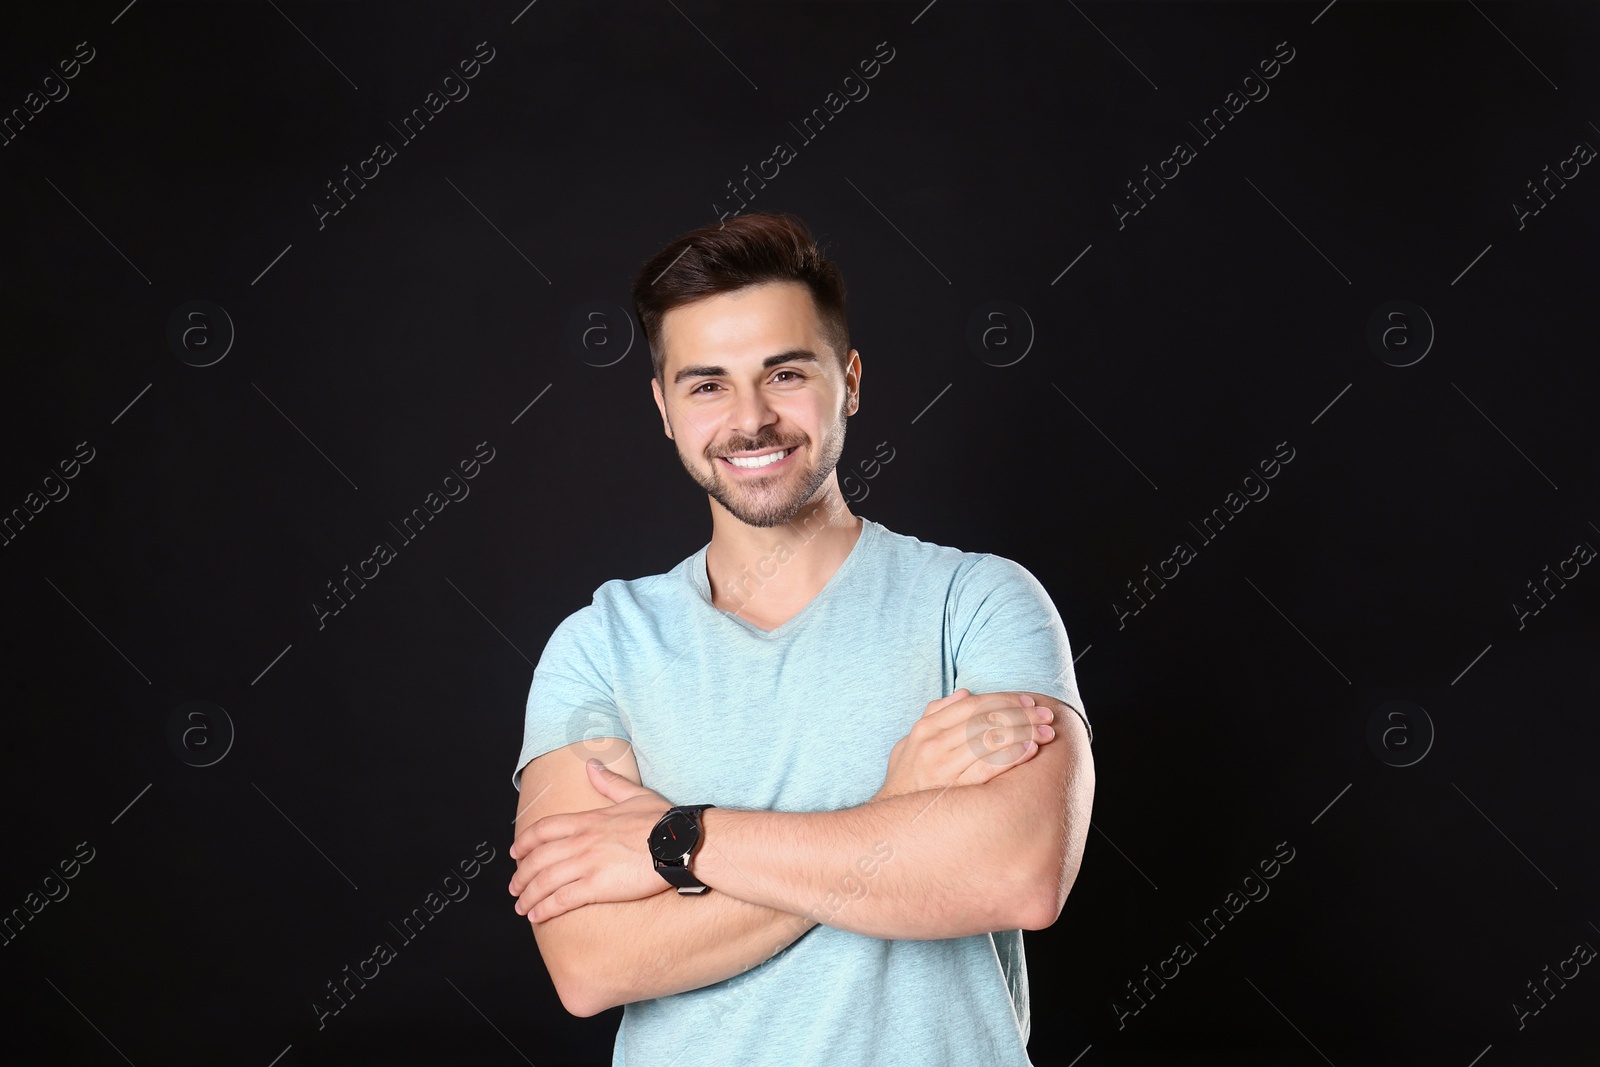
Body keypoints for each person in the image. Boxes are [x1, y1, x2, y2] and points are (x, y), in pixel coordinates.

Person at [507, 211, 1094, 1066]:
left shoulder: (979, 601)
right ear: (664, 408)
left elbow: (1019, 874)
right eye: (707, 384)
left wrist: (679, 840)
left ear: (850, 380)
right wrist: (895, 814)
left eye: (784, 373)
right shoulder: (599, 646)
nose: (751, 419)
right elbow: (591, 964)